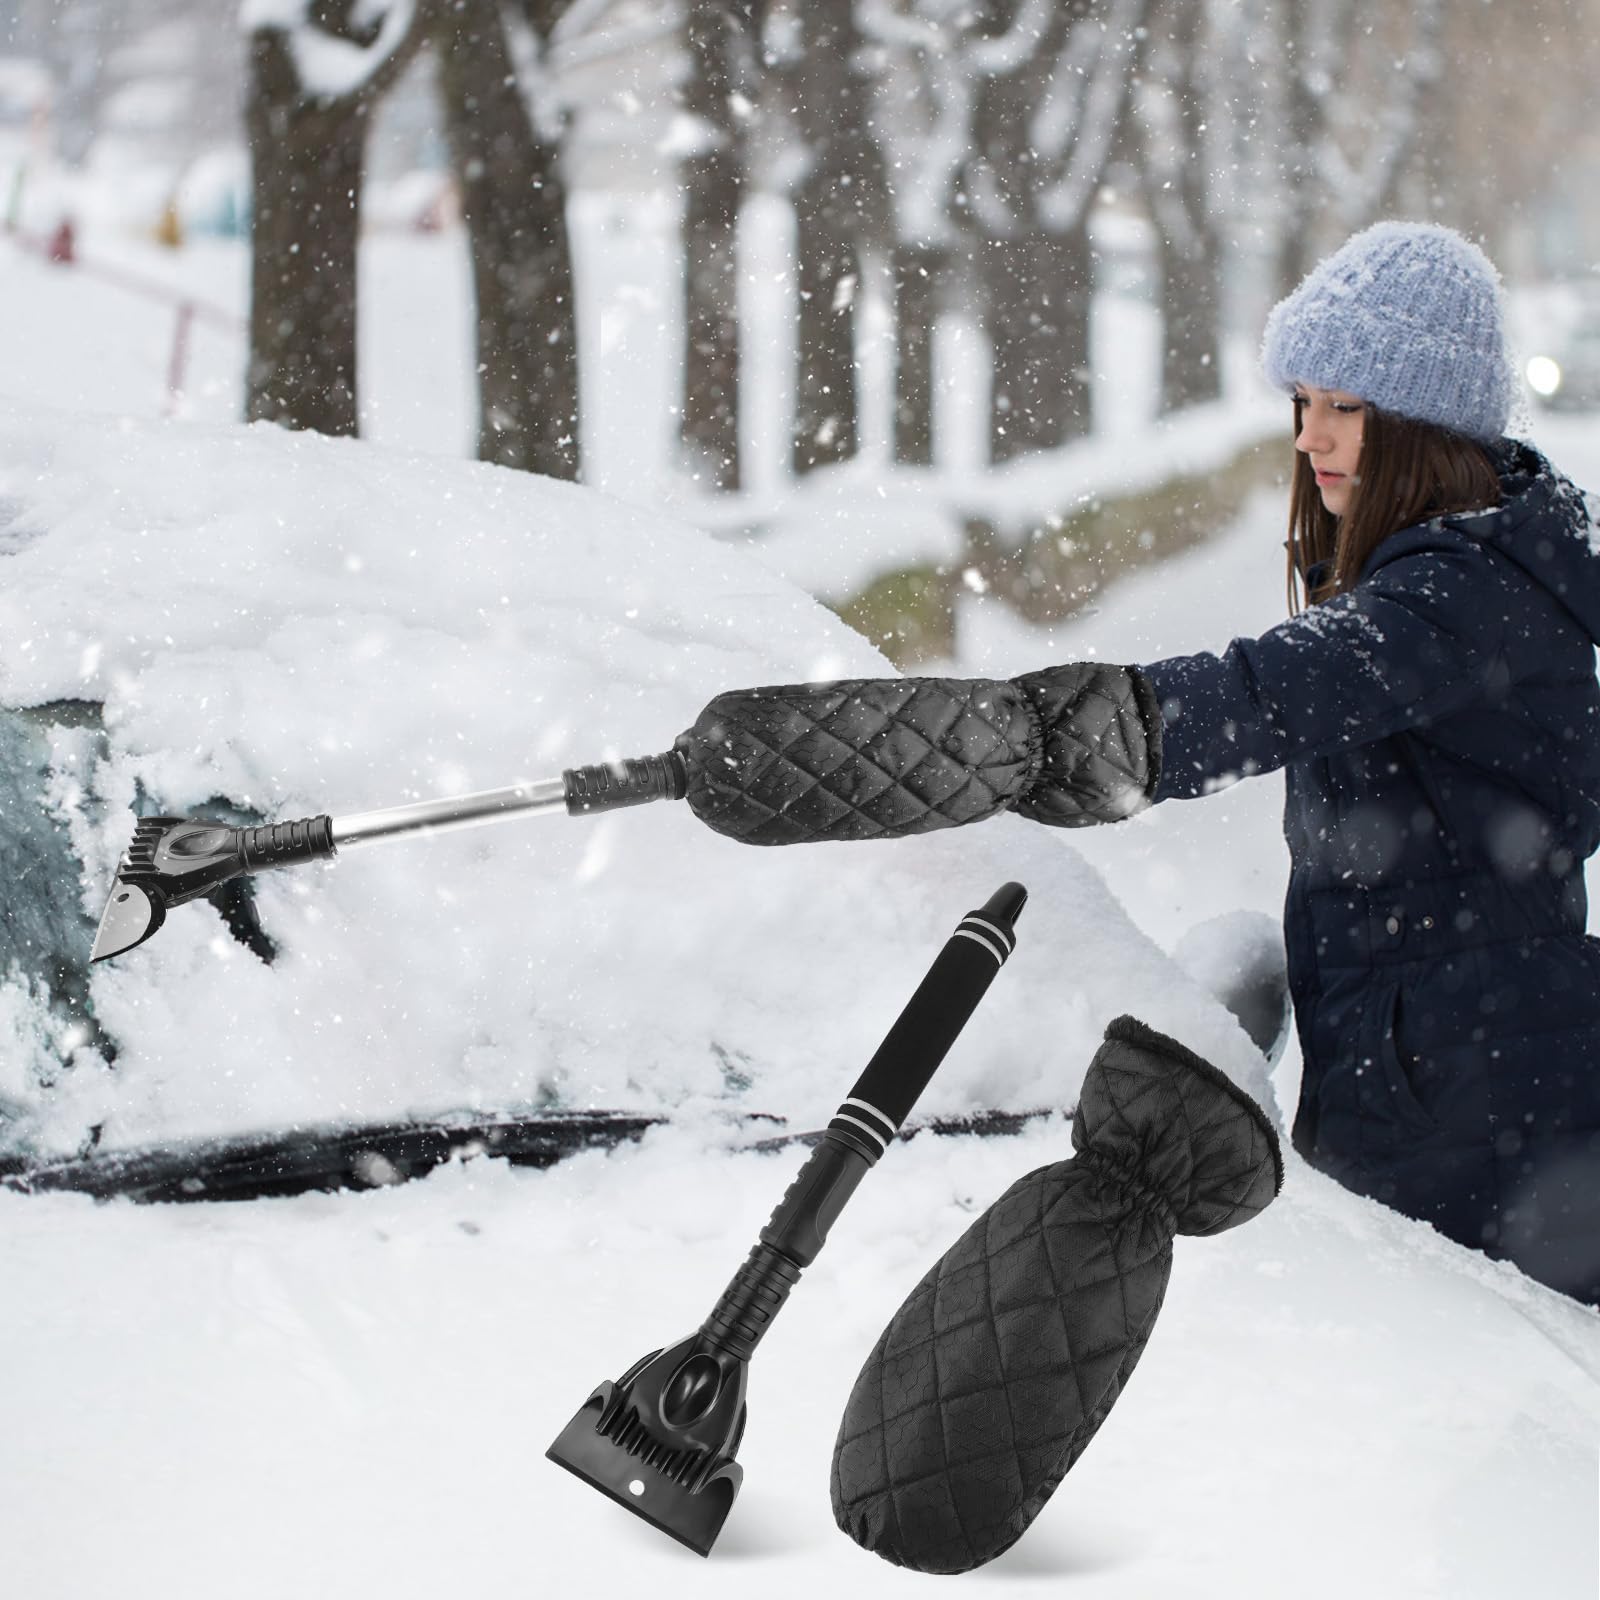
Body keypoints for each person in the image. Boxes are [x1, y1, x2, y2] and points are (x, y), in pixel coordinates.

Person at [689, 221, 1600, 1306]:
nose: (1310, 436)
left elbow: (1262, 692)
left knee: (1495, 1398)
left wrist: (1013, 741)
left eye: (1345, 407)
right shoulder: (1469, 566)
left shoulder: (1455, 597)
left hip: (1480, 1102)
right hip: (1461, 1066)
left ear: (1423, 422)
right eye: (1301, 403)